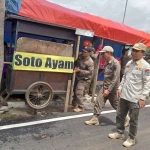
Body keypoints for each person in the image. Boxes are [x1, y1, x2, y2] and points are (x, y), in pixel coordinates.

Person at [108, 43, 150, 148]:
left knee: (133, 119)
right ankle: (120, 133)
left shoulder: (145, 66)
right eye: (133, 50)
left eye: (137, 51)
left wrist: (142, 98)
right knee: (120, 115)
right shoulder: (129, 63)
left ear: (143, 53)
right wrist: (120, 88)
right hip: (124, 95)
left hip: (135, 98)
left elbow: (147, 83)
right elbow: (125, 77)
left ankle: (131, 138)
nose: (134, 53)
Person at [85, 46, 121, 125]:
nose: (103, 55)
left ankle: (125, 118)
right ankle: (95, 119)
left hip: (113, 89)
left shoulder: (116, 63)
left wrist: (109, 90)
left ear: (109, 53)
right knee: (99, 101)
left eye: (104, 53)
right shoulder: (106, 63)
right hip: (105, 86)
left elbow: (115, 79)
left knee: (115, 104)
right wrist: (105, 88)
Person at [72, 46, 94, 112]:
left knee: (79, 92)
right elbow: (76, 62)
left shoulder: (90, 62)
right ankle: (74, 104)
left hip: (84, 79)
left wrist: (80, 71)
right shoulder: (80, 56)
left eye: (85, 52)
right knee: (74, 90)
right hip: (78, 77)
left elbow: (90, 72)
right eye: (83, 51)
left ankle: (81, 107)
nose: (83, 53)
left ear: (89, 53)